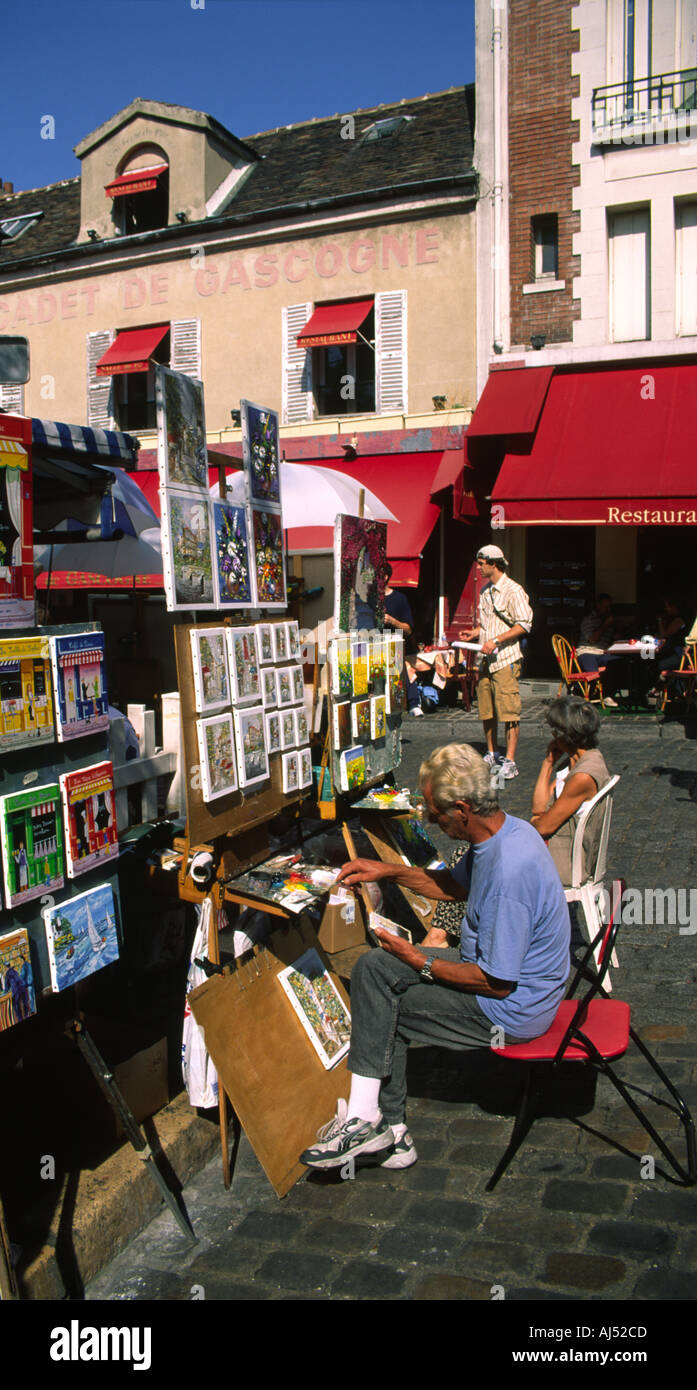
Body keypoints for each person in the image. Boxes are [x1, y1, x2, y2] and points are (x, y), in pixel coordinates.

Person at [299, 743, 571, 1172]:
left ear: (462, 809)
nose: (429, 819)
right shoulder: (507, 832)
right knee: (374, 973)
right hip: (505, 981)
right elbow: (453, 888)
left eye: (434, 812)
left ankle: (377, 1125)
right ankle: (378, 1126)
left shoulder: (508, 874)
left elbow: (495, 982)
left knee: (383, 1001)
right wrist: (387, 871)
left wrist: (418, 961)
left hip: (511, 1012)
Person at [459, 544, 533, 780]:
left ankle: (510, 760)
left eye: (481, 563)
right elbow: (488, 623)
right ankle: (491, 753)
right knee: (487, 710)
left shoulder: (514, 590)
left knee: (509, 711)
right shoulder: (485, 591)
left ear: (494, 563)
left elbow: (524, 624)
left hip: (505, 659)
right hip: (485, 660)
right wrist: (474, 633)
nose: (478, 567)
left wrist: (497, 639)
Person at [530, 696, 610, 888]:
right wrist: (547, 764)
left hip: (567, 861)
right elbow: (539, 808)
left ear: (562, 736)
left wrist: (534, 822)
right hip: (560, 847)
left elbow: (542, 827)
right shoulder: (575, 762)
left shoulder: (582, 776)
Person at [383, 562, 422, 716]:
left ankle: (412, 703)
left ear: (385, 577)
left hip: (394, 647)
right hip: (372, 645)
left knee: (401, 671)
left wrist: (392, 621)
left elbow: (408, 629)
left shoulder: (399, 599)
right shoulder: (369, 599)